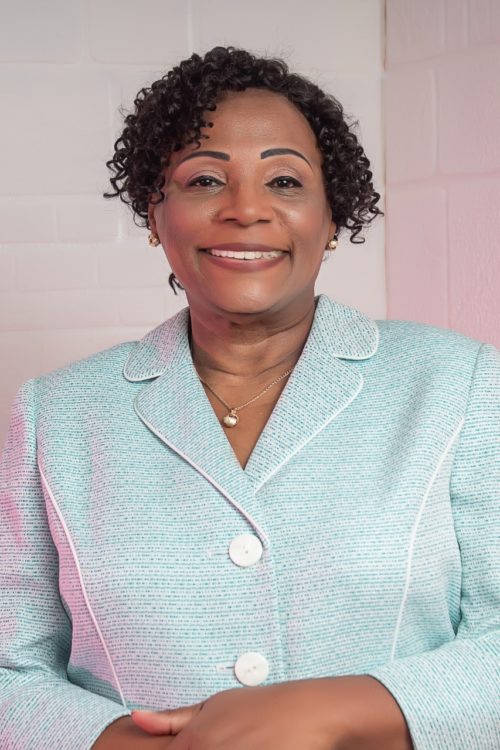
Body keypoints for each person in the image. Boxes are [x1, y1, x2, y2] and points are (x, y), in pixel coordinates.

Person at [0, 46, 498, 750]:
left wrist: (339, 709)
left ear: (332, 217)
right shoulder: (55, 414)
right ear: (154, 213)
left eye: (284, 181)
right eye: (205, 179)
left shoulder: (460, 385)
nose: (245, 210)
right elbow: (11, 670)